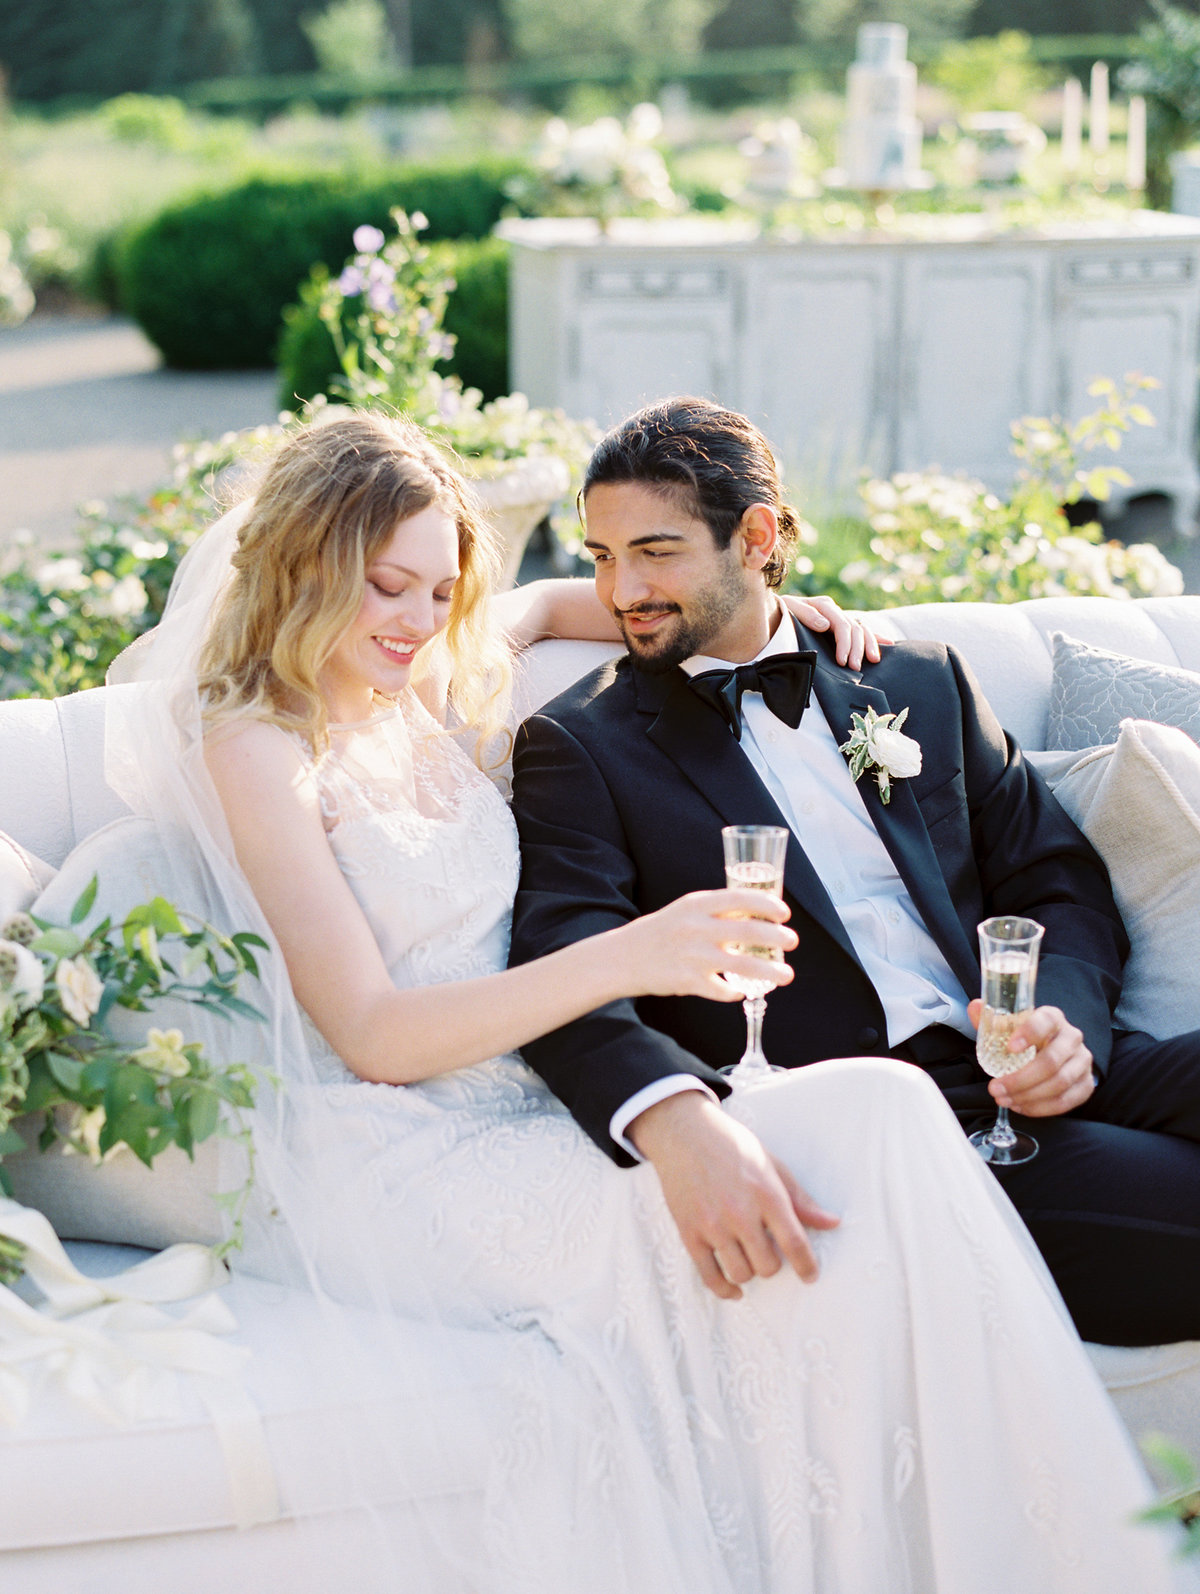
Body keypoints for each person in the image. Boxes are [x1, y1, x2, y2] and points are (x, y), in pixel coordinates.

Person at [101, 408, 1193, 1593]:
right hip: (426, 1124)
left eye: (435, 590)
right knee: (879, 1129)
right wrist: (640, 970)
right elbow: (373, 1030)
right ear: (309, 566)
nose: (416, 620)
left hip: (995, 1052)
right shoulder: (266, 744)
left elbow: (558, 605)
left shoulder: (439, 672)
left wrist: (788, 609)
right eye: (385, 587)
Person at [508, 395, 1200, 1351]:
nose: (623, 590)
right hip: (890, 1128)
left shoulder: (916, 679)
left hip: (1029, 1069)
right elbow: (563, 970)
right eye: (600, 558)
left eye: (654, 552)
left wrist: (1065, 1029)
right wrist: (678, 1125)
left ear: (755, 536)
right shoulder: (581, 746)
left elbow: (1056, 877)